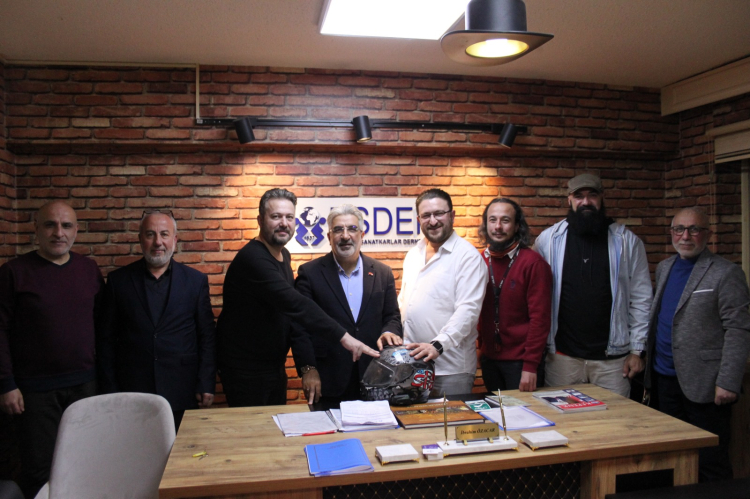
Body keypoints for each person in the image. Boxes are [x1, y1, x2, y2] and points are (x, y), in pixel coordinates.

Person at [216, 188, 378, 407]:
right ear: (260, 220)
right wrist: (344, 337)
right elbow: (295, 304)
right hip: (246, 371)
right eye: (276, 216)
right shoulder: (253, 258)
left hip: (272, 366)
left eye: (289, 217)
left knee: (273, 425)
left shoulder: (283, 254)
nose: (284, 223)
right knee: (255, 428)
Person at [0, 201, 103, 498]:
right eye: (50, 225)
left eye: (66, 226)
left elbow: (101, 324)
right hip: (34, 392)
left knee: (87, 462)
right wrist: (6, 384)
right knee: (40, 469)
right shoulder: (13, 273)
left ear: (76, 231)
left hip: (85, 386)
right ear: (36, 230)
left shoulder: (88, 269)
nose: (59, 233)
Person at [645, 207, 750, 482]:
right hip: (664, 379)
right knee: (672, 459)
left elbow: (738, 329)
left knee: (710, 462)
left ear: (708, 234)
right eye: (679, 229)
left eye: (694, 230)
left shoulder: (726, 273)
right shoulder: (665, 267)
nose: (685, 236)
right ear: (671, 233)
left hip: (706, 384)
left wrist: (728, 381)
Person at [534, 173, 651, 397]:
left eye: (592, 195)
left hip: (613, 362)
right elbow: (536, 298)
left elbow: (642, 299)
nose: (586, 202)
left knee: (615, 419)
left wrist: (637, 351)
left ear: (601, 198)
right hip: (562, 359)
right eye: (579, 196)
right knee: (561, 418)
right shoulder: (548, 240)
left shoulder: (627, 241)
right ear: (569, 199)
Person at [98, 210, 216, 430]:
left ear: (175, 239)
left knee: (181, 449)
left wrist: (206, 382)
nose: (158, 242)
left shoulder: (195, 281)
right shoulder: (118, 281)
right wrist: (110, 390)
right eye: (150, 234)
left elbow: (206, 336)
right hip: (132, 390)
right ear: (140, 239)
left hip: (183, 388)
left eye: (164, 234)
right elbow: (106, 340)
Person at [292, 204, 403, 405]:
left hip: (376, 376)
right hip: (328, 379)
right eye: (338, 230)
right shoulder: (310, 273)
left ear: (362, 235)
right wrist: (308, 368)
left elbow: (392, 317)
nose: (345, 236)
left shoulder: (383, 272)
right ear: (329, 237)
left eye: (352, 229)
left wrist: (389, 331)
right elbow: (300, 326)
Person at [398, 188, 488, 396]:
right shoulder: (413, 254)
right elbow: (404, 302)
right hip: (413, 367)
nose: (433, 221)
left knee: (451, 417)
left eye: (439, 213)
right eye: (426, 215)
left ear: (452, 215)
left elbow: (468, 311)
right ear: (419, 219)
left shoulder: (467, 257)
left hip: (451, 370)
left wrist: (438, 345)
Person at [477, 198, 552, 392]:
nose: (498, 227)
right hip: (489, 360)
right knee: (496, 409)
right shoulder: (478, 261)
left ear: (517, 226)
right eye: (492, 220)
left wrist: (530, 365)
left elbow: (540, 320)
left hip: (521, 363)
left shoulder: (533, 264)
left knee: (523, 411)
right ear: (486, 225)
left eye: (505, 220)